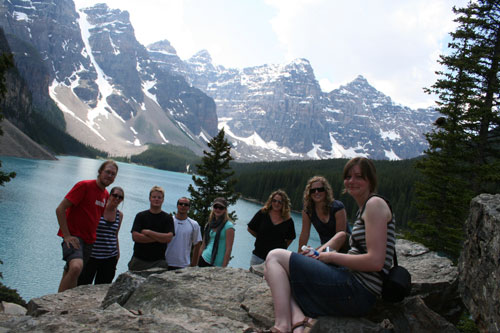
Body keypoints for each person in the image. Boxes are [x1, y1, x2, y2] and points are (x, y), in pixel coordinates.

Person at [262, 157, 396, 333]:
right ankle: (299, 324)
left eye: (359, 176)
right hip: (354, 288)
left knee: (274, 256)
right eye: (348, 176)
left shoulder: (374, 204)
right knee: (277, 275)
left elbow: (375, 261)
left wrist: (328, 256)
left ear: (370, 179)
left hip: (357, 291)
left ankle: (281, 326)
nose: (351, 181)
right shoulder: (366, 207)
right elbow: (305, 234)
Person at [55, 160, 118, 292]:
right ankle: (60, 302)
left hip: (89, 241)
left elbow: (94, 218)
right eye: (107, 172)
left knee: (70, 270)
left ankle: (59, 302)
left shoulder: (105, 195)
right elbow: (60, 209)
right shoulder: (84, 186)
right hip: (74, 237)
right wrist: (66, 235)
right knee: (76, 267)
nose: (109, 176)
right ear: (100, 172)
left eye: (113, 174)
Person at [78, 186, 124, 285]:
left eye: (120, 197)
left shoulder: (119, 215)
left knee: (102, 286)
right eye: (115, 195)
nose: (117, 198)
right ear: (109, 195)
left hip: (110, 257)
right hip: (92, 254)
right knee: (82, 284)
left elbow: (115, 235)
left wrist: (118, 253)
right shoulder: (98, 209)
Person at [128, 186, 175, 271]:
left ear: (163, 200)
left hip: (158, 261)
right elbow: (135, 237)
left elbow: (168, 238)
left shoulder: (167, 218)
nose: (156, 199)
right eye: (154, 197)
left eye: (159, 197)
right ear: (150, 198)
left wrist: (149, 232)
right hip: (139, 260)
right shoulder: (140, 216)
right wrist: (160, 238)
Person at [298, 176, 348, 254]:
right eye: (313, 190)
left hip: (345, 248)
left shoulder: (337, 207)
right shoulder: (308, 210)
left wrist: (317, 250)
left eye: (320, 189)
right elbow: (304, 234)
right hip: (324, 248)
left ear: (326, 191)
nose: (316, 192)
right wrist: (299, 254)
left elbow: (340, 237)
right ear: (309, 193)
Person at [247, 190, 296, 266]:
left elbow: (291, 237)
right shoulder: (263, 213)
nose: (276, 203)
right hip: (258, 256)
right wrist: (260, 236)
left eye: (280, 202)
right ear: (271, 201)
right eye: (274, 201)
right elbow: (250, 228)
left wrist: (282, 247)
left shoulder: (288, 220)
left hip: (276, 259)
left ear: (284, 204)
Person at [164, 197, 202, 270]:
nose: (183, 206)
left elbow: (197, 245)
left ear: (189, 208)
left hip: (183, 265)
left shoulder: (194, 224)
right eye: (181, 204)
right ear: (177, 205)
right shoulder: (169, 221)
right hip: (166, 262)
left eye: (186, 204)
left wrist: (193, 265)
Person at [197, 197, 235, 267]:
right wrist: (197, 262)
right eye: (215, 207)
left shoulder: (228, 226)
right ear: (213, 208)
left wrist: (223, 268)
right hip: (204, 258)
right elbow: (203, 245)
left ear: (225, 210)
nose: (218, 209)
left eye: (221, 208)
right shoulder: (209, 224)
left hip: (217, 264)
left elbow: (228, 249)